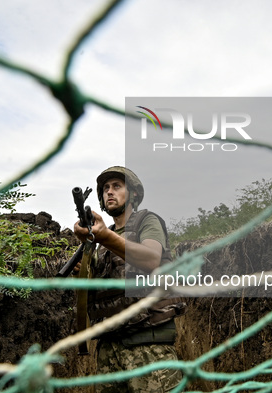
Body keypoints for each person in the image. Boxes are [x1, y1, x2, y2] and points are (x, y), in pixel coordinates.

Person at [73, 166, 186, 393]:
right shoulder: (101, 242)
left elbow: (152, 258)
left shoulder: (147, 221)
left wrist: (104, 236)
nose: (110, 192)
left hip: (148, 345)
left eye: (117, 186)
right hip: (109, 348)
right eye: (105, 189)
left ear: (133, 194)